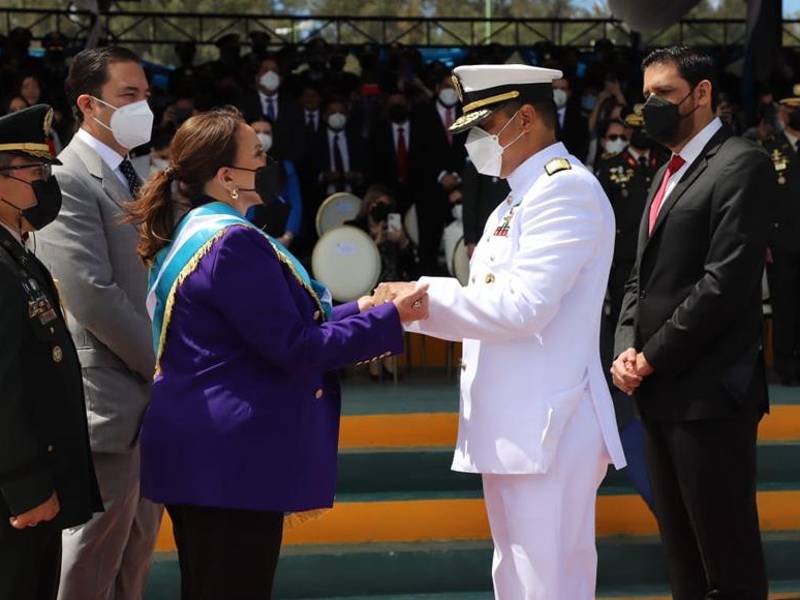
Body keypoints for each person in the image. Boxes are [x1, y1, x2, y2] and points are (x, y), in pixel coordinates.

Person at [125, 107, 428, 599]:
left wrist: (363, 308)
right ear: (227, 177)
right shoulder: (232, 245)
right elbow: (294, 346)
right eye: (258, 155)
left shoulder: (203, 231)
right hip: (228, 461)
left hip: (208, 454)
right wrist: (389, 319)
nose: (270, 162)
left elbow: (276, 326)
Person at [377, 64, 626, 599]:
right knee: (516, 578)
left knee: (547, 582)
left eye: (482, 126)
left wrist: (420, 300)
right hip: (518, 422)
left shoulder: (566, 192)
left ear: (526, 118)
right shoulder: (516, 199)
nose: (474, 143)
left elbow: (523, 307)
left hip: (547, 425)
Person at [611, 46, 771, 600]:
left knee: (727, 561)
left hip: (710, 399)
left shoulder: (741, 162)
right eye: (646, 95)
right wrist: (625, 347)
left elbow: (723, 283)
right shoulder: (664, 175)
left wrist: (651, 354)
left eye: (664, 94)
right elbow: (639, 279)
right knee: (682, 559)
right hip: (656, 394)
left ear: (702, 94)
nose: (650, 106)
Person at [32, 47, 163, 600]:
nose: (144, 107)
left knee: (131, 566)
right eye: (129, 96)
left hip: (149, 408)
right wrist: (163, 362)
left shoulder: (140, 175)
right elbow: (91, 295)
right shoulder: (67, 179)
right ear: (89, 104)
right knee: (86, 566)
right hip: (106, 403)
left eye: (147, 95)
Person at [0, 104, 102, 600]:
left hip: (35, 487)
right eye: (34, 171)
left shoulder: (15, 253)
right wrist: (26, 486)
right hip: (16, 498)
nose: (44, 183)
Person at [595, 108, 665, 512]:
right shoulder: (611, 168)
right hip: (622, 258)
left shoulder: (662, 165)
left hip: (656, 258)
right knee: (624, 321)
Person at [761, 85, 800, 385]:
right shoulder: (767, 149)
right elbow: (757, 199)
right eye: (792, 109)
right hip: (781, 242)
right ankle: (786, 366)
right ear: (783, 114)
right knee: (784, 305)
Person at [248, 117, 303, 247]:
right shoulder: (236, 166)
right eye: (256, 132)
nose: (261, 136)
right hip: (249, 236)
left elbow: (296, 203)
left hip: (280, 237)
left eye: (266, 133)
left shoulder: (286, 167)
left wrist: (288, 236)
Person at [460, 158, 510, 258]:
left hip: (509, 231)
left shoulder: (514, 162)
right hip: (482, 234)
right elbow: (469, 203)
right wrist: (470, 240)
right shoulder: (476, 162)